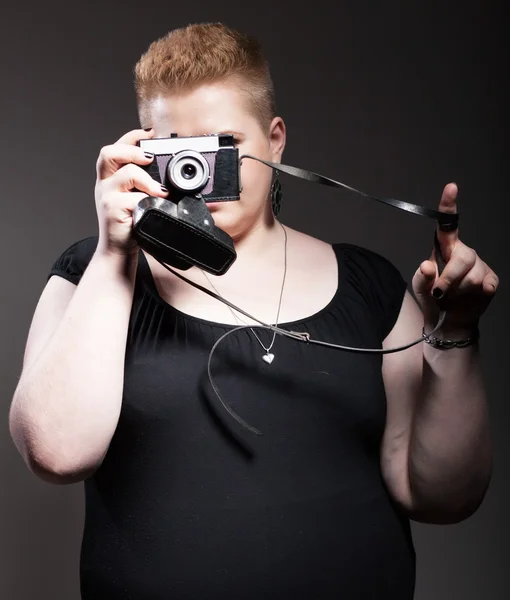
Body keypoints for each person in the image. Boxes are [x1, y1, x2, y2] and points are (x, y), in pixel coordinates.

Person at [9, 22, 499, 600]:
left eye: (225, 146)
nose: (202, 172)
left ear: (276, 140)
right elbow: (57, 454)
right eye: (180, 151)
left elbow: (441, 497)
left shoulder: (369, 285)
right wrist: (117, 250)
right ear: (142, 151)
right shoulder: (93, 272)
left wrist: (458, 331)